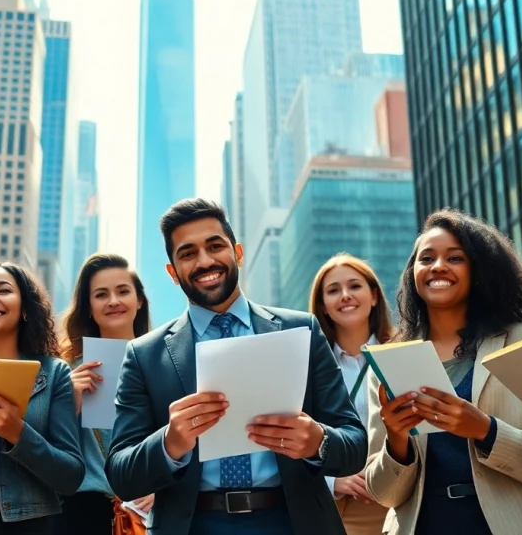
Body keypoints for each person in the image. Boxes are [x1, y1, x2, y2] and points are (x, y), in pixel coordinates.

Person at [105, 198, 367, 535]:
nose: (205, 260)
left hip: (293, 522)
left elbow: (354, 444)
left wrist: (318, 440)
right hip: (194, 525)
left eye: (215, 246)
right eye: (187, 254)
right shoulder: (144, 355)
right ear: (173, 273)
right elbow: (121, 474)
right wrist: (170, 442)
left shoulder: (301, 330)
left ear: (237, 252)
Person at [364, 209, 522, 534]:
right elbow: (384, 494)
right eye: (426, 259)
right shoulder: (388, 363)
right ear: (414, 273)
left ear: (480, 270)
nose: (438, 266)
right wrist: (397, 440)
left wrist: (487, 430)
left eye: (455, 258)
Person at [0, 261, 84, 535]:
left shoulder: (53, 373)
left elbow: (71, 476)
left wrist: (18, 433)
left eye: (3, 290)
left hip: (30, 527)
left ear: (25, 307)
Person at [56, 253, 154, 534]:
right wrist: (69, 403)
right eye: (101, 294)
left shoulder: (165, 363)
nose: (113, 301)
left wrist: (164, 489)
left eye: (123, 291)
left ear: (139, 300)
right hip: (82, 512)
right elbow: (47, 450)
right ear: (88, 306)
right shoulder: (65, 371)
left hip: (150, 509)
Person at [308, 252, 393, 535]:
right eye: (333, 290)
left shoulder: (402, 354)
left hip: (398, 500)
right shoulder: (307, 368)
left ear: (374, 296)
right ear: (323, 306)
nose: (345, 295)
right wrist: (333, 482)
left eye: (355, 286)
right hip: (338, 507)